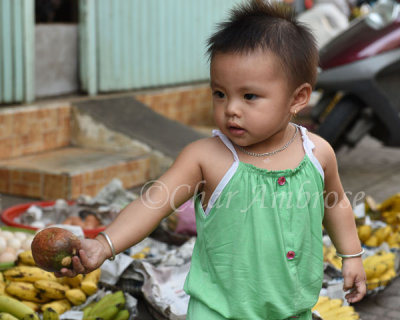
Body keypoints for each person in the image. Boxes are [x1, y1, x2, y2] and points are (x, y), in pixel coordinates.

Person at [57, 1, 366, 319]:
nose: (231, 108)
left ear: (298, 98)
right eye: (220, 93)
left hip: (293, 309)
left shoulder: (317, 154)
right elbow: (152, 204)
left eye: (249, 96)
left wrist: (352, 255)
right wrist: (104, 244)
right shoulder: (206, 158)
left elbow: (336, 203)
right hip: (217, 311)